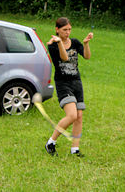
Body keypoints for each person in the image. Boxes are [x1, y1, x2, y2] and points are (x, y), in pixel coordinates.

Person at [45, 17, 93, 157]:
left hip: (76, 82)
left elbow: (87, 56)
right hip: (63, 83)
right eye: (64, 30)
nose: (67, 32)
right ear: (57, 30)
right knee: (71, 115)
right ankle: (51, 142)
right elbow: (65, 58)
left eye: (69, 29)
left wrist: (86, 44)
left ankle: (75, 149)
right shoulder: (53, 45)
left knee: (79, 116)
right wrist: (60, 42)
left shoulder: (75, 42)